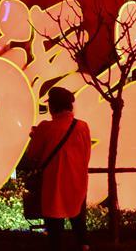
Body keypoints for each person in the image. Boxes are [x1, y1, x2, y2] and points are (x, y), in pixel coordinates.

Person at [26, 86, 92, 251]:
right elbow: (86, 155)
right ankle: (84, 246)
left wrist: (34, 137)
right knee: (78, 222)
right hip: (77, 182)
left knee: (55, 229)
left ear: (53, 106)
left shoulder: (45, 128)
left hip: (53, 183)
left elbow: (33, 154)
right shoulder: (82, 127)